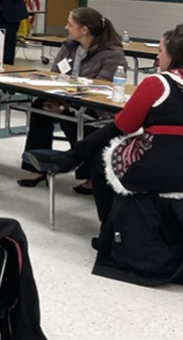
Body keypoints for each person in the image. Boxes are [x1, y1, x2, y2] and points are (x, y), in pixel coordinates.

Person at [26, 24, 183, 224]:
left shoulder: (157, 83)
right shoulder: (70, 46)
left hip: (164, 160)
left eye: (160, 51)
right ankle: (71, 157)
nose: (157, 57)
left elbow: (126, 125)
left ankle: (109, 227)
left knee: (102, 163)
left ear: (174, 55)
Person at [18, 8, 126, 194]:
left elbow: (100, 89)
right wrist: (61, 100)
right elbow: (54, 75)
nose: (66, 27)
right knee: (39, 106)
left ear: (84, 29)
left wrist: (64, 106)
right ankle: (36, 167)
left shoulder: (111, 53)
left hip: (93, 107)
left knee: (71, 115)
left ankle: (90, 175)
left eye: (70, 24)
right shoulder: (69, 47)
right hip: (66, 98)